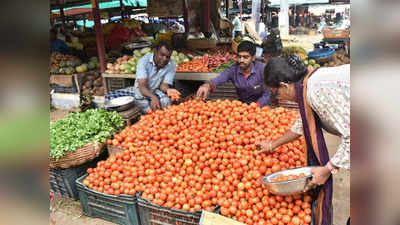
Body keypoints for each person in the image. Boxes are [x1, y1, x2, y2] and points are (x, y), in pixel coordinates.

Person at [256, 55, 350, 225]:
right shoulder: (310, 82)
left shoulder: (316, 91)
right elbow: (302, 123)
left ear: (284, 86)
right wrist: (273, 144)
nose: (279, 99)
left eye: (276, 93)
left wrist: (327, 169)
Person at [106, 41, 181, 113]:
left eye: (168, 57)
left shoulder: (171, 64)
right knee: (147, 109)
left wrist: (168, 90)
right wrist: (153, 97)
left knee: (166, 102)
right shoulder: (144, 61)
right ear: (155, 51)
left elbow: (163, 85)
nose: (164, 59)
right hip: (141, 90)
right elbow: (142, 85)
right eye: (162, 55)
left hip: (155, 90)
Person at [196, 41, 271, 107]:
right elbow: (218, 79)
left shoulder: (262, 69)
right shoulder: (233, 69)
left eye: (245, 57)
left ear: (253, 58)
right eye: (239, 56)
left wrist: (256, 106)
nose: (241, 60)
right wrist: (207, 85)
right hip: (242, 107)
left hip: (261, 108)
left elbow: (268, 94)